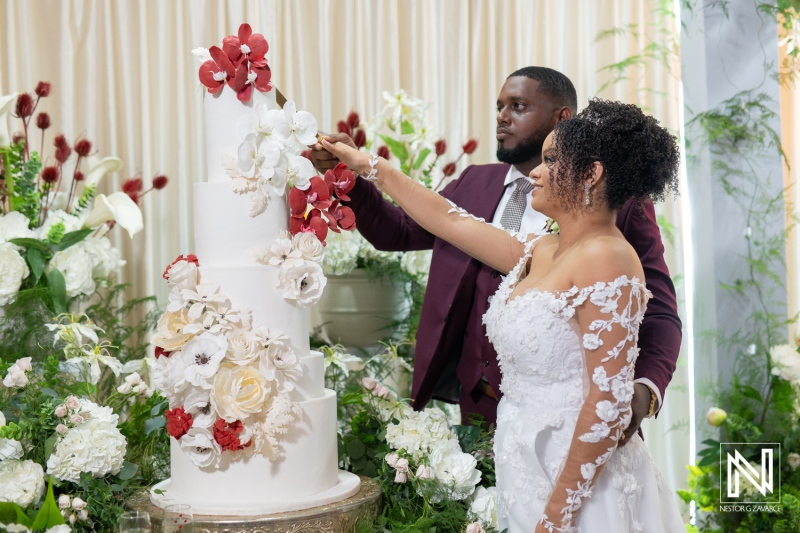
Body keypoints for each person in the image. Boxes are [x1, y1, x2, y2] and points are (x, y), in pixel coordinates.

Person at [319, 98, 685, 532]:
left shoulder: (608, 257)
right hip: (523, 463)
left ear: (591, 174)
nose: (535, 172)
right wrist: (368, 165)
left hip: (577, 484)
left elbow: (605, 405)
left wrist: (557, 516)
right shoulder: (543, 248)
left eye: (551, 160)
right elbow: (448, 220)